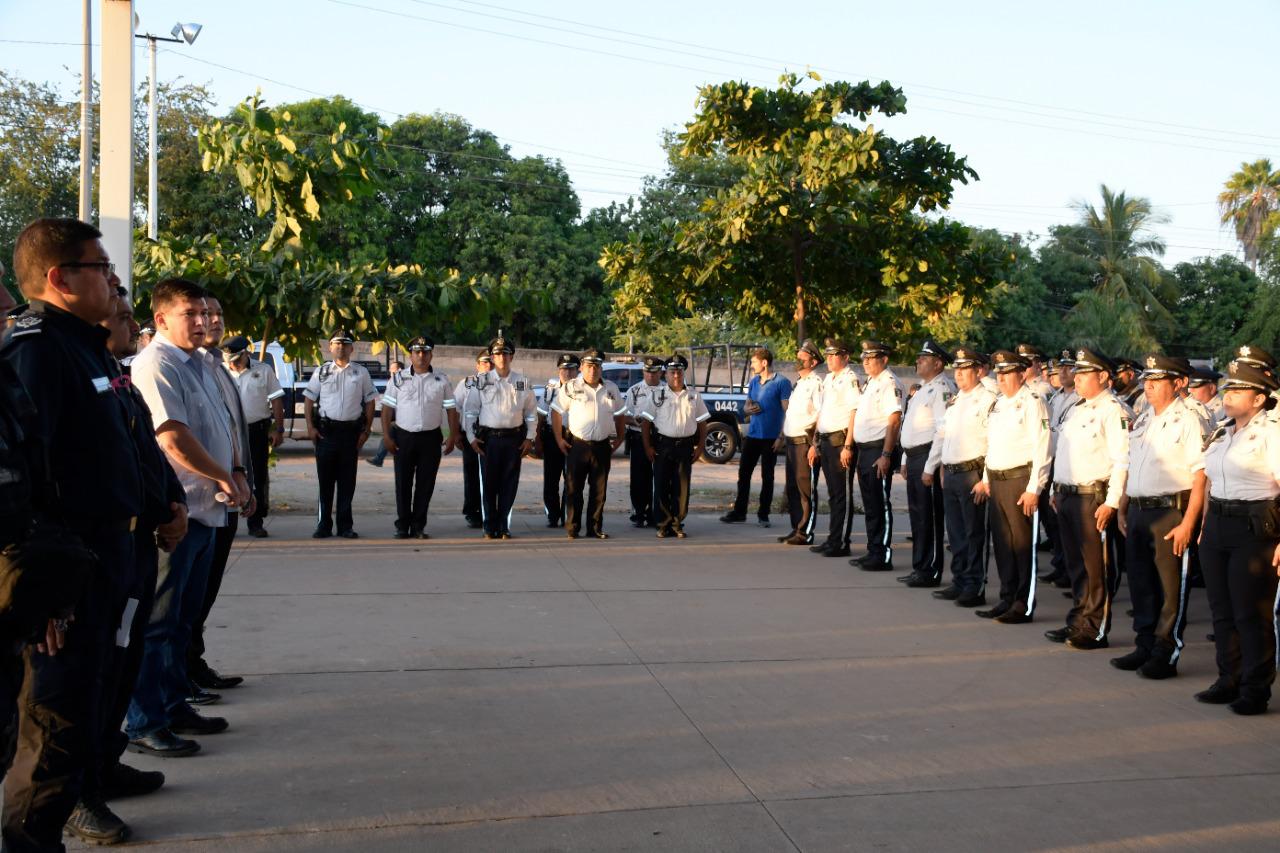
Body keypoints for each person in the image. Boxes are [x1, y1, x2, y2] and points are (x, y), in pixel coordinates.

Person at [1, 218, 145, 851]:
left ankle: (70, 806)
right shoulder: (35, 350)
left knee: (91, 698)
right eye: (100, 267)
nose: (113, 279)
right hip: (65, 572)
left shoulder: (86, 344)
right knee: (53, 723)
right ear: (61, 279)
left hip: (105, 556)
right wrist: (48, 592)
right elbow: (28, 479)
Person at [67, 288, 189, 845]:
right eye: (122, 313)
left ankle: (105, 763)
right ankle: (76, 795)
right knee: (79, 686)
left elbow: (144, 452)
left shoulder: (114, 373)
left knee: (120, 662)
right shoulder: (49, 361)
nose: (128, 320)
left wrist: (170, 503)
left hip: (134, 546)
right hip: (90, 553)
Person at [127, 277, 247, 757]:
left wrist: (235, 471)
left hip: (207, 509)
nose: (202, 322)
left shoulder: (198, 363)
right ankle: (144, 722)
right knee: (157, 624)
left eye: (205, 313)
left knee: (181, 621)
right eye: (190, 315)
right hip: (179, 512)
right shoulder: (155, 364)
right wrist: (224, 476)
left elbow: (221, 424)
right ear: (160, 319)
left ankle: (175, 706)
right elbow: (172, 438)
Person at [1111, 355, 1206, 679]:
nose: (1148, 386)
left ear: (1178, 383)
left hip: (1170, 511)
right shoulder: (1144, 417)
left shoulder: (1189, 419)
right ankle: (1144, 644)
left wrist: (1189, 522)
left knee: (1169, 587)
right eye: (1147, 380)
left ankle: (1166, 651)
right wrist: (1123, 504)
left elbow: (1200, 475)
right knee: (1141, 582)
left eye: (1157, 380)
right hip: (1139, 508)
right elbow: (1133, 463)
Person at [1195, 358, 1280, 715]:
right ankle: (1228, 678)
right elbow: (1209, 480)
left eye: (1238, 389)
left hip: (1253, 527)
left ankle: (1255, 687)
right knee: (1222, 610)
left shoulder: (1272, 433)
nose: (1228, 395)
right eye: (1228, 388)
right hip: (1217, 524)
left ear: (1259, 398)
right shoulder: (1222, 430)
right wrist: (1202, 526)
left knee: (1250, 612)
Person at [190, 295, 255, 699]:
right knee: (178, 604)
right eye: (202, 314)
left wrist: (241, 477)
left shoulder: (215, 367)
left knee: (205, 590)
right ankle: (180, 675)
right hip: (197, 498)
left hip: (225, 493)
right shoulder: (183, 368)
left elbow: (229, 430)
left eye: (217, 314)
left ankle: (191, 663)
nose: (212, 321)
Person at [1047, 349, 1130, 649]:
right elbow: (1065, 453)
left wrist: (1111, 502)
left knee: (1097, 567)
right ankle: (1077, 621)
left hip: (1093, 498)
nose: (1077, 378)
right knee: (1076, 565)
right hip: (1068, 494)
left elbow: (1122, 460)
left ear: (1104, 376)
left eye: (1084, 373)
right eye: (1077, 373)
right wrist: (1057, 487)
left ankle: (1095, 628)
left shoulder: (1113, 411)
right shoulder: (1075, 409)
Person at [972, 350, 1051, 624]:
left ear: (1021, 373)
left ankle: (1023, 603)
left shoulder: (1032, 402)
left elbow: (1043, 446)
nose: (1002, 378)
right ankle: (1006, 597)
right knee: (1003, 544)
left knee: (1021, 544)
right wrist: (985, 479)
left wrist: (1035, 488)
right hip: (997, 478)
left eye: (1007, 373)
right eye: (999, 373)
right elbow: (992, 445)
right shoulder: (998, 404)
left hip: (1020, 480)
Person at [925, 348, 997, 608]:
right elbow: (942, 435)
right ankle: (959, 580)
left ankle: (974, 585)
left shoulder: (988, 399)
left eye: (964, 369)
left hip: (973, 474)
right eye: (956, 369)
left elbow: (994, 442)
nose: (959, 374)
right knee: (955, 532)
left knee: (974, 533)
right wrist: (933, 466)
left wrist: (986, 479)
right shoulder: (956, 401)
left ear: (978, 371)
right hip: (952, 473)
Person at [380, 336, 458, 539]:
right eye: (417, 352)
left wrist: (452, 436)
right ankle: (402, 525)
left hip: (430, 438)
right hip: (404, 436)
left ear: (431, 354)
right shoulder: (398, 378)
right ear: (411, 355)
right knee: (403, 483)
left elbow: (451, 410)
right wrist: (387, 436)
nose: (421, 356)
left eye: (425, 352)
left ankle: (418, 526)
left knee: (426, 484)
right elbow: (387, 408)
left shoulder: (441, 380)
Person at [303, 329, 377, 539]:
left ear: (352, 348)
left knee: (347, 482)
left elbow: (370, 401)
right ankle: (323, 525)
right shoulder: (322, 371)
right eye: (337, 344)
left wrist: (366, 429)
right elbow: (309, 399)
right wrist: (311, 427)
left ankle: (345, 526)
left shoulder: (360, 372)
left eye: (345, 344)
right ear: (330, 347)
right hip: (327, 432)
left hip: (350, 434)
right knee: (325, 482)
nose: (341, 348)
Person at [463, 332, 537, 539]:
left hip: (514, 439)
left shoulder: (522, 382)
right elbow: (470, 411)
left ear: (512, 357)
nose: (502, 358)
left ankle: (503, 525)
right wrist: (470, 437)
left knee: (509, 484)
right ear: (492, 358)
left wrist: (529, 438)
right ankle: (489, 526)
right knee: (488, 485)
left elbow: (531, 412)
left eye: (506, 354)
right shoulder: (481, 381)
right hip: (489, 440)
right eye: (498, 354)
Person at [552, 347, 627, 539]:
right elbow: (556, 411)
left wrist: (619, 438)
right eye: (588, 366)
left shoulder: (611, 388)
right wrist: (559, 439)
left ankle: (594, 528)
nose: (593, 370)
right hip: (578, 445)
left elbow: (619, 414)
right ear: (582, 367)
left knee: (599, 491)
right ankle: (572, 527)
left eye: (596, 366)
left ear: (601, 368)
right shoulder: (570, 387)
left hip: (602, 445)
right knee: (573, 488)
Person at [898, 340, 956, 587]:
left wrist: (930, 467)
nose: (918, 360)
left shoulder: (942, 388)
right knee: (917, 515)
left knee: (929, 517)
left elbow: (942, 431)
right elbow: (910, 427)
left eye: (924, 357)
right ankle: (919, 567)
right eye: (919, 356)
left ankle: (931, 570)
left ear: (938, 363)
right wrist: (903, 458)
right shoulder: (922, 388)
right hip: (913, 455)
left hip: (926, 457)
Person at [846, 340, 905, 571]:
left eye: (871, 358)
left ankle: (882, 555)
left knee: (880, 504)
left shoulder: (889, 383)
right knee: (870, 504)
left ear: (884, 359)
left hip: (879, 449)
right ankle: (873, 550)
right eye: (865, 358)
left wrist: (886, 454)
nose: (866, 362)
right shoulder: (871, 383)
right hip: (865, 449)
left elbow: (894, 420)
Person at [640, 354, 710, 538]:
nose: (676, 375)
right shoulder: (657, 395)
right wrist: (648, 447)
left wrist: (701, 446)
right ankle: (663, 524)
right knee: (662, 486)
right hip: (663, 445)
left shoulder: (694, 396)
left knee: (682, 487)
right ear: (666, 374)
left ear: (683, 372)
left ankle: (678, 523)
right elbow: (646, 423)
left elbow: (702, 422)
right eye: (672, 371)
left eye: (679, 371)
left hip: (685, 447)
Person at [222, 335, 286, 538]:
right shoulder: (221, 371)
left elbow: (276, 400)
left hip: (256, 430)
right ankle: (227, 523)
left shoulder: (263, 370)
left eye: (236, 360)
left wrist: (279, 429)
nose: (232, 364)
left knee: (257, 476)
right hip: (228, 432)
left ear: (246, 353)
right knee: (227, 474)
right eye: (229, 360)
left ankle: (255, 522)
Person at [722, 348, 790, 528]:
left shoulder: (782, 382)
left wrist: (781, 437)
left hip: (771, 438)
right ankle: (739, 512)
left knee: (767, 477)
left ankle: (763, 514)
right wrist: (748, 410)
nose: (752, 365)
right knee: (743, 475)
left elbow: (788, 412)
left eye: (754, 362)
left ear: (764, 363)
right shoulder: (754, 382)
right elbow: (746, 406)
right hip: (753, 435)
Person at [809, 339, 860, 558]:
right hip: (826, 439)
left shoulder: (850, 379)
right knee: (832, 493)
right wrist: (815, 443)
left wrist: (848, 445)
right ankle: (832, 538)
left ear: (845, 357)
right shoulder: (829, 379)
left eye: (834, 355)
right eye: (827, 356)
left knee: (842, 495)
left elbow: (854, 412)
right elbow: (822, 413)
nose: (829, 360)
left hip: (841, 441)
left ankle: (841, 542)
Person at [776, 340, 823, 545]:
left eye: (803, 357)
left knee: (806, 488)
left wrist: (815, 444)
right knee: (794, 488)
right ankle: (797, 527)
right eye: (798, 355)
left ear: (813, 362)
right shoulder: (799, 383)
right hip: (792, 443)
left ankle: (806, 531)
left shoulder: (816, 383)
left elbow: (821, 414)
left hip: (806, 441)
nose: (798, 359)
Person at [1040, 350, 1079, 588]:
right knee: (1052, 518)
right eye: (1060, 368)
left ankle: (1069, 568)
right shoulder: (1057, 397)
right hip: (1052, 461)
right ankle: (1060, 562)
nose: (1062, 373)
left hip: (1070, 464)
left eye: (1069, 368)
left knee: (1067, 521)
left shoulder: (1078, 399)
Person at [537, 354, 580, 528]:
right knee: (551, 478)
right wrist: (538, 439)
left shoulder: (582, 389)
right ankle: (553, 515)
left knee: (572, 478)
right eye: (563, 369)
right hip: (552, 437)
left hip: (575, 436)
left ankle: (567, 515)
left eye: (571, 369)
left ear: (577, 370)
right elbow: (541, 414)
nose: (567, 373)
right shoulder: (551, 389)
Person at [625, 356, 665, 527]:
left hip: (661, 438)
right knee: (639, 478)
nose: (651, 376)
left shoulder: (667, 390)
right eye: (648, 372)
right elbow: (624, 416)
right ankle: (639, 513)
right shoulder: (633, 391)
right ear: (643, 372)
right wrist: (635, 421)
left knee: (661, 477)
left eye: (654, 373)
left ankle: (657, 513)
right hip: (639, 437)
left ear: (661, 373)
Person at [456, 350, 491, 528]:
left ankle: (489, 510)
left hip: (492, 436)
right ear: (477, 365)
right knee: (471, 475)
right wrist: (455, 433)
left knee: (491, 476)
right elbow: (455, 407)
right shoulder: (467, 383)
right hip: (471, 435)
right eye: (484, 362)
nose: (488, 366)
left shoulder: (500, 383)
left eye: (491, 362)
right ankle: (472, 511)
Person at [367, 360, 404, 467]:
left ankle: (379, 458)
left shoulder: (403, 382)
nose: (390, 371)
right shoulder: (391, 382)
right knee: (390, 434)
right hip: (394, 415)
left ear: (400, 370)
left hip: (401, 417)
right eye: (390, 369)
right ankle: (380, 458)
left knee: (390, 433)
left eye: (393, 369)